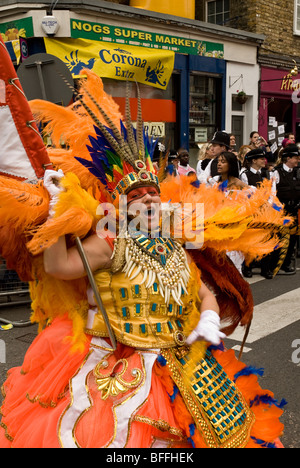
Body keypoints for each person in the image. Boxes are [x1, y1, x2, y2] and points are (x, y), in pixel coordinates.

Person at [0, 70, 288, 449]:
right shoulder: (109, 239)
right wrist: (56, 213)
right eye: (140, 198)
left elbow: (200, 292)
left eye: (154, 195)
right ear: (123, 206)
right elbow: (57, 267)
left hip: (177, 357)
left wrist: (209, 317)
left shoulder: (172, 242)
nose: (150, 202)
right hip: (114, 359)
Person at [240, 149, 274, 279]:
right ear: (254, 160)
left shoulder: (266, 173)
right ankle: (248, 266)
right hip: (252, 211)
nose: (263, 161)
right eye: (261, 159)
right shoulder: (245, 175)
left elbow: (270, 191)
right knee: (251, 239)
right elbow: (244, 194)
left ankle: (266, 268)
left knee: (267, 238)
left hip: (265, 210)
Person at [272, 144, 300, 274]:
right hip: (281, 211)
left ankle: (287, 263)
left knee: (293, 238)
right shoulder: (276, 172)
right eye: (296, 158)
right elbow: (272, 193)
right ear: (288, 158)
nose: (298, 160)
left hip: (294, 210)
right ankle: (276, 264)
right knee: (279, 238)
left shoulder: (298, 172)